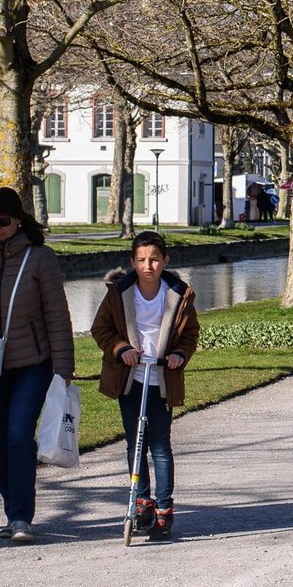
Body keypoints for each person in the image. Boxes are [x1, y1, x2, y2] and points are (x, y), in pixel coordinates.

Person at [0, 187, 72, 543]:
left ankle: (22, 516)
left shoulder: (40, 257)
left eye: (3, 222)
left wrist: (63, 366)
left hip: (33, 361)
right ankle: (12, 509)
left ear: (18, 220)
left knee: (17, 436)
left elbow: (57, 314)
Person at [91, 231, 200, 539]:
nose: (148, 266)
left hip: (161, 378)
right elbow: (101, 329)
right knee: (135, 443)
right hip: (130, 377)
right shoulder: (119, 292)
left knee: (160, 445)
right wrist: (121, 349)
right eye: (141, 260)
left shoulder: (178, 293)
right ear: (132, 262)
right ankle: (142, 503)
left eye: (154, 259)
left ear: (165, 261)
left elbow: (190, 334)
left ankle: (165, 508)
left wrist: (179, 353)